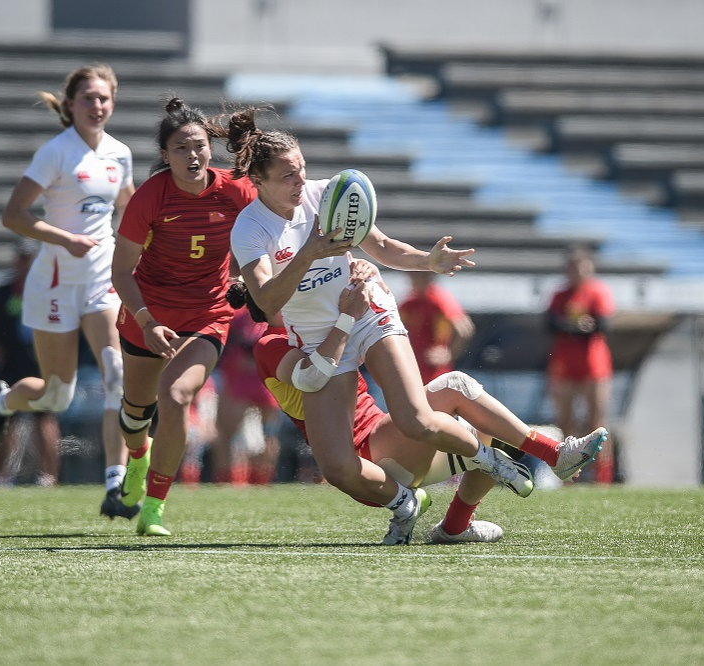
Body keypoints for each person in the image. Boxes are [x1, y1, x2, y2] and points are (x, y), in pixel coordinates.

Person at [227, 107, 607, 525]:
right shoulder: (249, 228)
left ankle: (553, 455)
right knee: (337, 467)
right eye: (288, 176)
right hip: (321, 339)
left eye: (302, 169)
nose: (302, 182)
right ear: (257, 181)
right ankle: (460, 485)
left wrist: (429, 261)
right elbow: (265, 299)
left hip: (367, 312)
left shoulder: (326, 195)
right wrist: (312, 252)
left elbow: (383, 246)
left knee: (416, 418)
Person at [231, 275, 607, 545]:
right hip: (366, 458)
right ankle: (551, 453)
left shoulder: (313, 328)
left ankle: (456, 525)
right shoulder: (271, 343)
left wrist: (370, 282)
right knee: (456, 389)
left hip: (390, 443)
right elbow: (314, 374)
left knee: (491, 426)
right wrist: (346, 317)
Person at [0, 63, 138, 517]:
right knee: (56, 395)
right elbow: (13, 215)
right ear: (70, 105)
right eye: (88, 97)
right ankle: (4, 399)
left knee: (116, 374)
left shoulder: (120, 154)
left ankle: (115, 487)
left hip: (100, 278)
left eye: (104, 97)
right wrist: (65, 239)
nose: (97, 105)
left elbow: (129, 210)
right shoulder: (56, 152)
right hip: (52, 281)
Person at [111, 98, 258, 536]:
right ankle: (138, 457)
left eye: (198, 145)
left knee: (175, 396)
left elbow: (270, 235)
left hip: (207, 315)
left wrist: (250, 279)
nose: (191, 155)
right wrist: (145, 319)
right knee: (135, 415)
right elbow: (120, 270)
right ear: (164, 155)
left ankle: (154, 507)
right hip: (147, 313)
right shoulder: (150, 197)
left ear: (210, 148)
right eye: (180, 148)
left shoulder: (237, 189)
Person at [0, 240, 60, 486]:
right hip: (10, 361)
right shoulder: (4, 291)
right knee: (7, 418)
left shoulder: (47, 290)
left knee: (45, 417)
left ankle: (50, 477)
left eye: (30, 259)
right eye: (22, 258)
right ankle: (3, 475)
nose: (26, 264)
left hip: (39, 361)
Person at [547, 245, 616, 484]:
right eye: (572, 267)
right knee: (566, 423)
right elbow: (550, 323)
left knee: (597, 423)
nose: (577, 272)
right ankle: (569, 478)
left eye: (581, 267)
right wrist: (575, 327)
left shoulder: (597, 292)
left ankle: (603, 478)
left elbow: (603, 324)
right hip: (564, 366)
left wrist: (575, 327)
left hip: (593, 367)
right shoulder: (560, 295)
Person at [207, 306, 281, 484]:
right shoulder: (276, 309)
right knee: (268, 435)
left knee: (225, 433)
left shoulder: (239, 312)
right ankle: (260, 481)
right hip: (268, 377)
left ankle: (227, 479)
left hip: (241, 379)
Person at [398, 271, 475, 384]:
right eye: (411, 274)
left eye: (417, 274)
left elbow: (465, 330)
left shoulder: (438, 298)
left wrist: (449, 355)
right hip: (414, 368)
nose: (413, 278)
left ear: (429, 276)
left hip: (435, 371)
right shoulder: (410, 302)